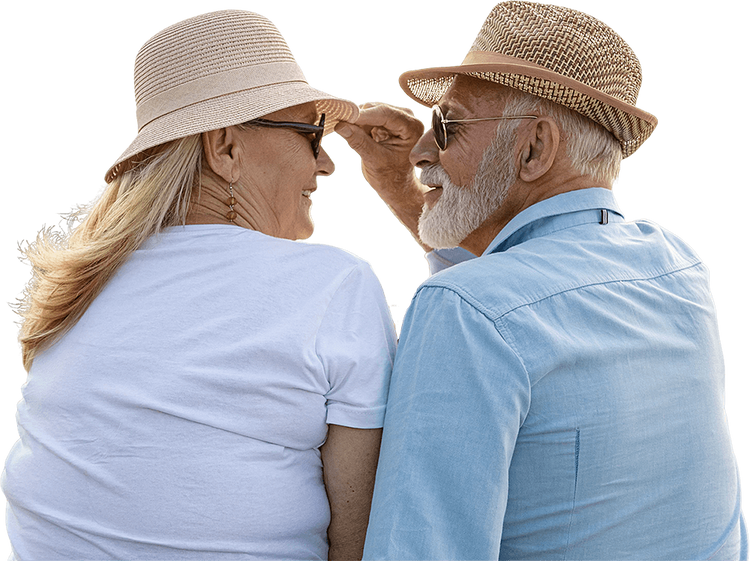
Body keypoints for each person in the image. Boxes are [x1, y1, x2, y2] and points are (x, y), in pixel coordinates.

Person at [335, 1, 747, 559]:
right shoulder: (677, 263)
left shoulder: (466, 310)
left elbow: (422, 549)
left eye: (446, 125)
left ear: (534, 148)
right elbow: (521, 283)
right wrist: (404, 184)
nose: (424, 150)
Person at [2, 7, 396, 560]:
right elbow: (361, 546)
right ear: (226, 148)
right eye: (312, 134)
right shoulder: (333, 283)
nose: (326, 165)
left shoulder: (79, 286)